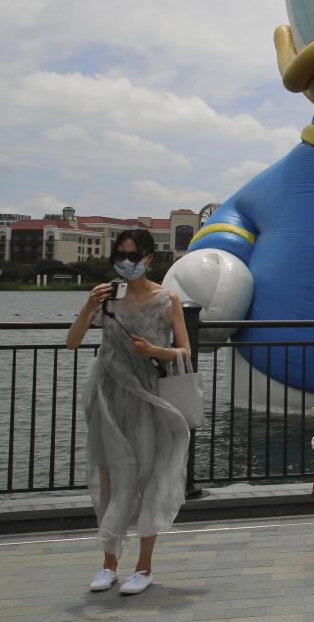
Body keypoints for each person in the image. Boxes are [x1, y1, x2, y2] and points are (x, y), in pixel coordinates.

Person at [66, 229, 193, 595]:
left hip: (148, 397)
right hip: (109, 396)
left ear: (149, 258)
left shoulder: (167, 298)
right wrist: (88, 307)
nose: (126, 262)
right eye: (119, 255)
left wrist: (155, 350)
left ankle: (144, 567)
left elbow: (184, 351)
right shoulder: (106, 297)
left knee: (147, 477)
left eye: (133, 256)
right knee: (110, 479)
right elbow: (73, 342)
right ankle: (109, 563)